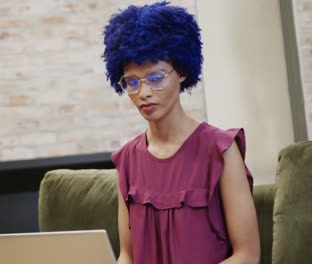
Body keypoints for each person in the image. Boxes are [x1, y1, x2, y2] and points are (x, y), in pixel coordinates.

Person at [102, 2, 260, 264]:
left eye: (155, 77)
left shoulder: (220, 150)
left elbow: (247, 255)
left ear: (182, 72)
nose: (143, 93)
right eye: (132, 82)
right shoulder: (127, 160)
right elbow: (127, 256)